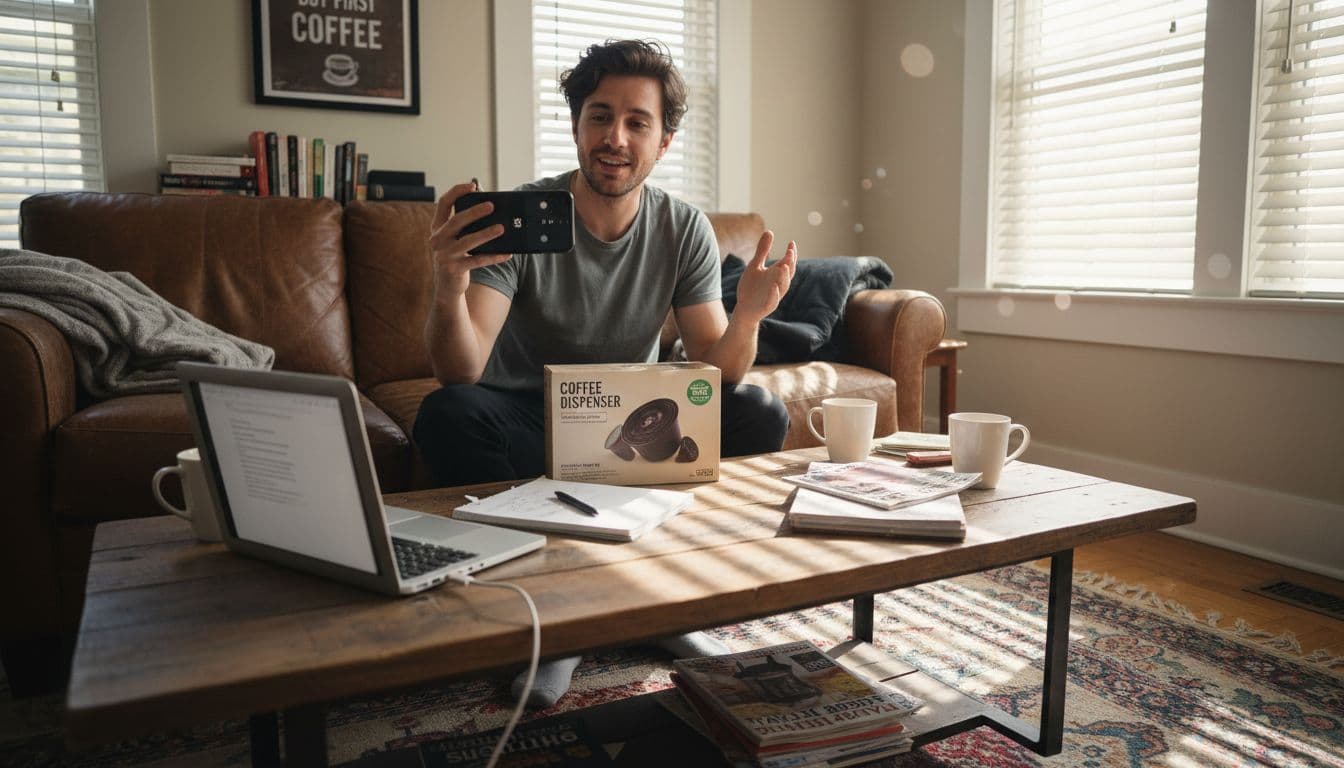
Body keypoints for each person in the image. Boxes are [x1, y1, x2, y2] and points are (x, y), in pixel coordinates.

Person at [414, 39, 797, 707]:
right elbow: (462, 367)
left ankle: (664, 606)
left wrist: (748, 319)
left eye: (636, 121)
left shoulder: (683, 228)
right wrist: (448, 287)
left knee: (759, 411)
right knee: (448, 414)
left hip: (629, 424)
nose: (614, 138)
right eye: (599, 116)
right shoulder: (521, 221)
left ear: (665, 140)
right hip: (528, 420)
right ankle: (558, 621)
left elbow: (715, 372)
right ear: (576, 126)